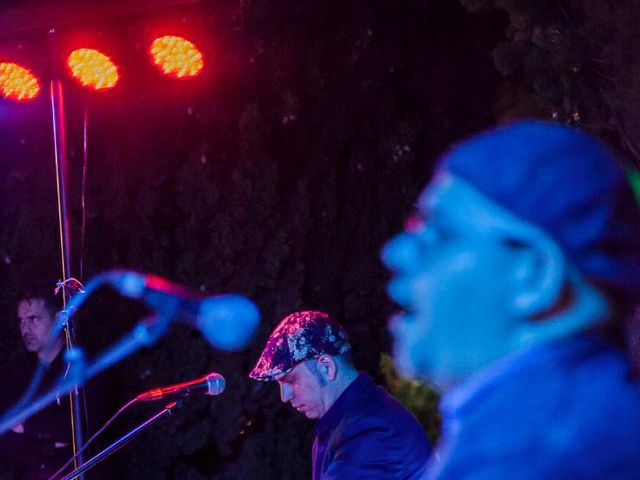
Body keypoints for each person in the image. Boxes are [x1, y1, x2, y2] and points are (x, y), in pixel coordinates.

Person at [382, 120, 640, 479]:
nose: (395, 253)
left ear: (534, 277)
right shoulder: (598, 423)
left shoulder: (524, 460)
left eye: (440, 233)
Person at [250, 310, 432, 479]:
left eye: (291, 380)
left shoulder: (369, 430)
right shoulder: (350, 420)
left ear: (326, 367)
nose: (285, 396)